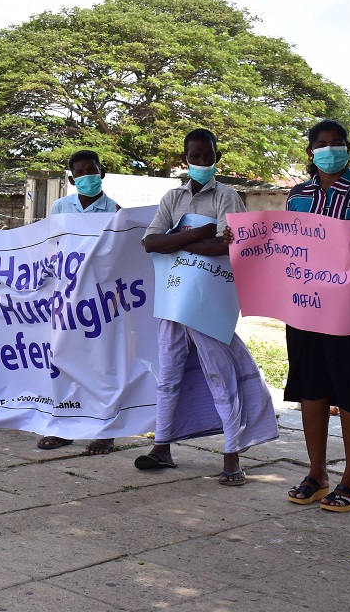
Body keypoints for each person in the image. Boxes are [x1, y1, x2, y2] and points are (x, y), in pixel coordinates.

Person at [137, 129, 277, 485]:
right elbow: (151, 242)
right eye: (195, 157)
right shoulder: (172, 197)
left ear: (217, 156)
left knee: (220, 373)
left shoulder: (227, 197)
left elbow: (228, 247)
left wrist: (179, 242)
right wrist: (199, 236)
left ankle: (232, 456)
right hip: (174, 299)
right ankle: (163, 446)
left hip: (209, 302)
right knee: (168, 376)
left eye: (207, 156)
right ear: (185, 160)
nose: (201, 162)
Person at [277, 119, 350, 511]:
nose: (330, 150)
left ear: (347, 148)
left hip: (349, 303)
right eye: (322, 144)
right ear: (311, 151)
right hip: (304, 302)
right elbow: (282, 243)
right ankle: (316, 473)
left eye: (337, 143)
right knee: (310, 387)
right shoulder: (298, 194)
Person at [37, 149, 120, 455]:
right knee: (63, 360)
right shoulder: (61, 207)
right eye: (81, 174)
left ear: (103, 173)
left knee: (102, 364)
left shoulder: (116, 211)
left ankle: (105, 430)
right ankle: (65, 426)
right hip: (65, 296)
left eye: (93, 172)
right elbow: (49, 246)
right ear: (72, 179)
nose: (88, 178)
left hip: (100, 299)